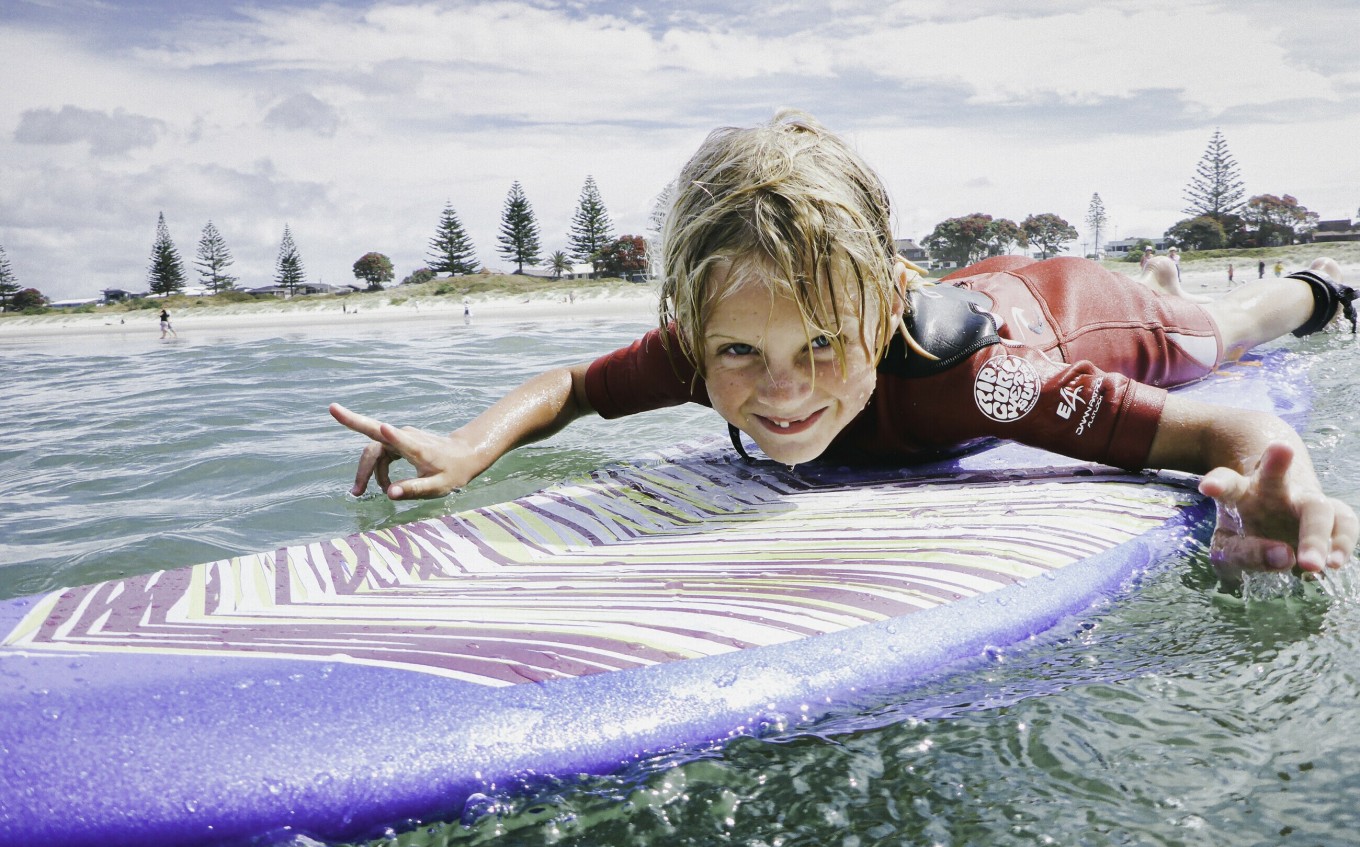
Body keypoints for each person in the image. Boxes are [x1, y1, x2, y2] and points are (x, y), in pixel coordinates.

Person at [332, 110, 1358, 578]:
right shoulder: (707, 343)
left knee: (1216, 336)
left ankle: (1296, 288)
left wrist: (1280, 482)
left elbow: (1224, 428)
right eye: (741, 356)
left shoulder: (991, 388)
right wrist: (472, 448)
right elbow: (572, 385)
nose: (780, 392)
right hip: (949, 286)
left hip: (1079, 312)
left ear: (879, 311)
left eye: (822, 345)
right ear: (694, 330)